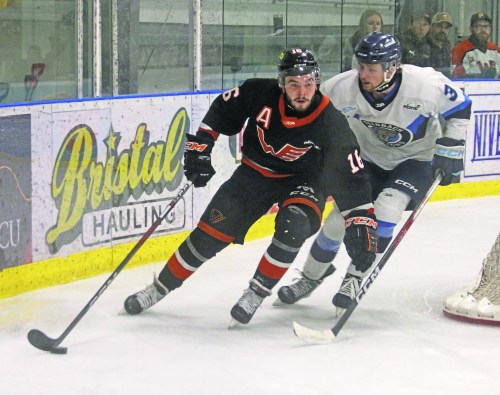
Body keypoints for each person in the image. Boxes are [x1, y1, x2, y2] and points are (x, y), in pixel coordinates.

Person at [123, 48, 377, 326]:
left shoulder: (331, 122)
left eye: (308, 83)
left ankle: (256, 292)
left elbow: (351, 176)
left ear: (316, 81)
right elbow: (223, 108)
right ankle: (159, 288)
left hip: (304, 182)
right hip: (254, 175)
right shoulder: (259, 93)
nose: (302, 91)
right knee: (208, 236)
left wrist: (360, 220)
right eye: (293, 84)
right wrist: (201, 145)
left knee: (295, 224)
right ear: (282, 84)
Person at [276, 32, 472, 314]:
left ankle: (355, 277)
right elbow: (307, 110)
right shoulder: (343, 87)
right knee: (337, 221)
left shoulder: (425, 85)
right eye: (361, 65)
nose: (363, 73)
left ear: (391, 68)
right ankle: (309, 277)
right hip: (367, 159)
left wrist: (451, 147)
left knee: (387, 207)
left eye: (371, 68)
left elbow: (461, 108)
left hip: (415, 161)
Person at [452, 12, 500, 79]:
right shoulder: (459, 49)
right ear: (471, 29)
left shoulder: (496, 50)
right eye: (478, 26)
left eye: (486, 26)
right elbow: (455, 77)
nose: (483, 30)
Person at [427, 12, 454, 77]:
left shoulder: (448, 46)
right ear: (432, 27)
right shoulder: (424, 45)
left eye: (446, 28)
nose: (443, 30)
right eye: (439, 26)